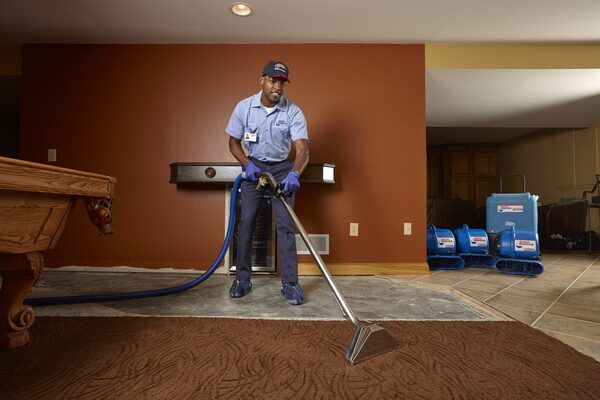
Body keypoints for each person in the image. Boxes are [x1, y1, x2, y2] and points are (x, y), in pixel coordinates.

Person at [225, 60, 310, 305]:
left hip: (282, 168)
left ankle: (290, 284)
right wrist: (246, 164)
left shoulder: (293, 111)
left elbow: (303, 149)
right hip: (253, 166)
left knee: (285, 225)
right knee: (247, 221)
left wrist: (294, 173)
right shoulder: (244, 107)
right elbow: (233, 142)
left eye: (282, 83)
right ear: (262, 80)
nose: (278, 87)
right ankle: (242, 279)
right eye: (273, 81)